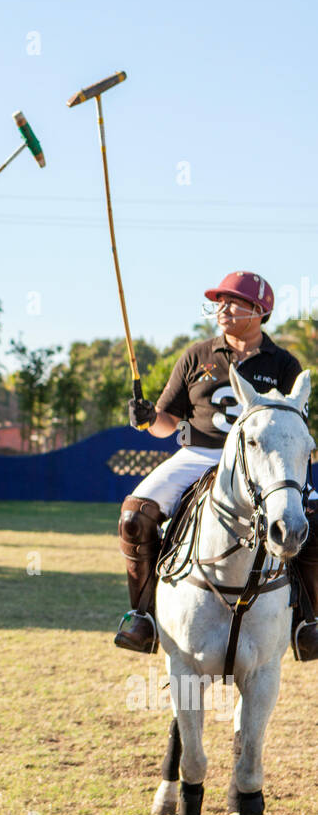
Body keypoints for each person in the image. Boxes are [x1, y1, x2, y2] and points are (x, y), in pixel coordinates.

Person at [115, 270, 318, 660]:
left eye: (233, 301)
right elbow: (166, 423)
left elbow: (294, 427)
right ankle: (143, 617)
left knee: (313, 515)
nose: (221, 308)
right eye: (219, 301)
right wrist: (145, 417)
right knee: (133, 516)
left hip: (264, 463)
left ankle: (308, 621)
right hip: (201, 455)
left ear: (259, 311)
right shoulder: (197, 356)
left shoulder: (283, 363)